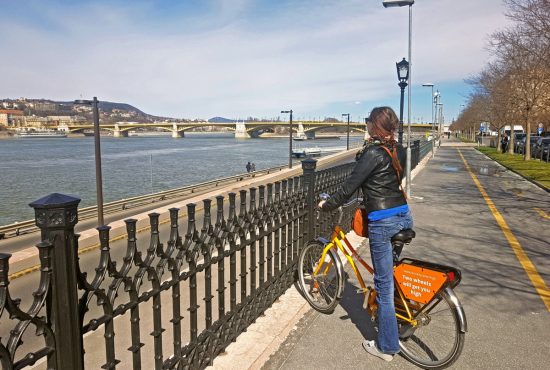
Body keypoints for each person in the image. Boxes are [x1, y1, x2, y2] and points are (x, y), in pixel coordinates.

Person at [318, 106, 413, 362]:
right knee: (389, 273)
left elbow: (350, 187)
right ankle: (399, 319)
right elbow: (391, 181)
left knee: (383, 284)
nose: (367, 125)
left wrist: (327, 205)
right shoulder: (399, 149)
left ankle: (386, 347)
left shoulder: (372, 153)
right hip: (403, 214)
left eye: (368, 121)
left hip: (383, 220)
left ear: (374, 125)